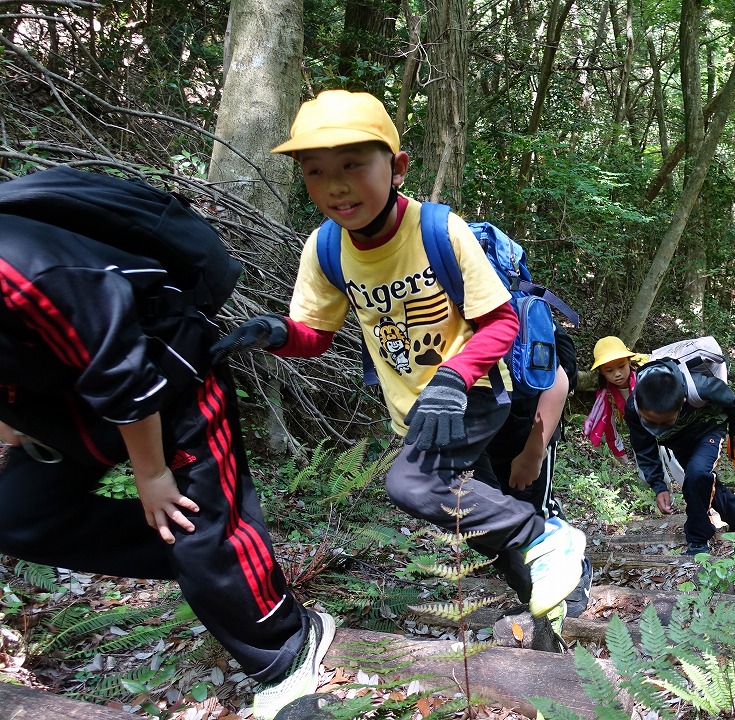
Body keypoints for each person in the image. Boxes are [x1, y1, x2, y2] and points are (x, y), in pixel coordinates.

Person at [211, 90, 585, 628]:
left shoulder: (438, 230)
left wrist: (455, 375)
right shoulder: (325, 249)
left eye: (353, 165)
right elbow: (314, 335)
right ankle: (552, 602)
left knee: (412, 484)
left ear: (398, 167)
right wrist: (275, 333)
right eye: (315, 172)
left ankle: (546, 537)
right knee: (475, 516)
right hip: (416, 410)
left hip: (471, 392)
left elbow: (501, 321)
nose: (335, 185)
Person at [0, 211, 331, 719]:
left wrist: (152, 475)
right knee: (17, 515)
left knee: (192, 522)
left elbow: (124, 374)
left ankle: (289, 644)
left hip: (167, 370)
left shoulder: (22, 271)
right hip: (66, 403)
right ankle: (213, 559)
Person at [484, 327, 592, 619]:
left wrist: (534, 451)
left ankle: (575, 578)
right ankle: (531, 591)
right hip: (486, 434)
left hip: (531, 427)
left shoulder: (502, 313)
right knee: (486, 521)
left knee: (534, 506)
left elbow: (557, 378)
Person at [623, 356, 735, 556]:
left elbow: (732, 402)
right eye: (650, 422)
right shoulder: (633, 408)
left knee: (697, 474)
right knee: (699, 480)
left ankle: (698, 539)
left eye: (664, 422)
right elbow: (644, 449)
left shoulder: (700, 387)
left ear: (682, 403)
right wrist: (659, 486)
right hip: (678, 441)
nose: (656, 427)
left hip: (709, 428)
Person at [583, 336, 644, 461]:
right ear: (601, 371)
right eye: (609, 370)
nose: (617, 374)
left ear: (629, 361)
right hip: (639, 436)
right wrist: (618, 451)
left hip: (663, 429)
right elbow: (608, 425)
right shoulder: (606, 395)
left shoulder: (645, 379)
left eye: (621, 366)